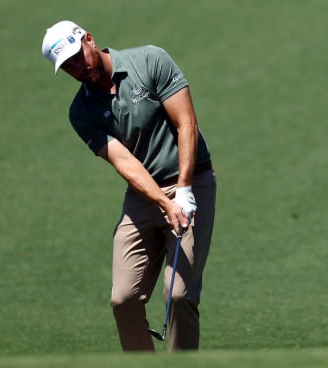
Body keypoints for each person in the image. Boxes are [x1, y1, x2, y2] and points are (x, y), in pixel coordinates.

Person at [40, 20, 216, 352]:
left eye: (78, 57)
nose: (77, 68)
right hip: (144, 195)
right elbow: (125, 163)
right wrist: (164, 203)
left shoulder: (150, 61)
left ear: (89, 40)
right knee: (123, 298)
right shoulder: (81, 112)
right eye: (68, 67)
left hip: (192, 182)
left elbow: (186, 123)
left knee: (179, 295)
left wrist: (184, 188)